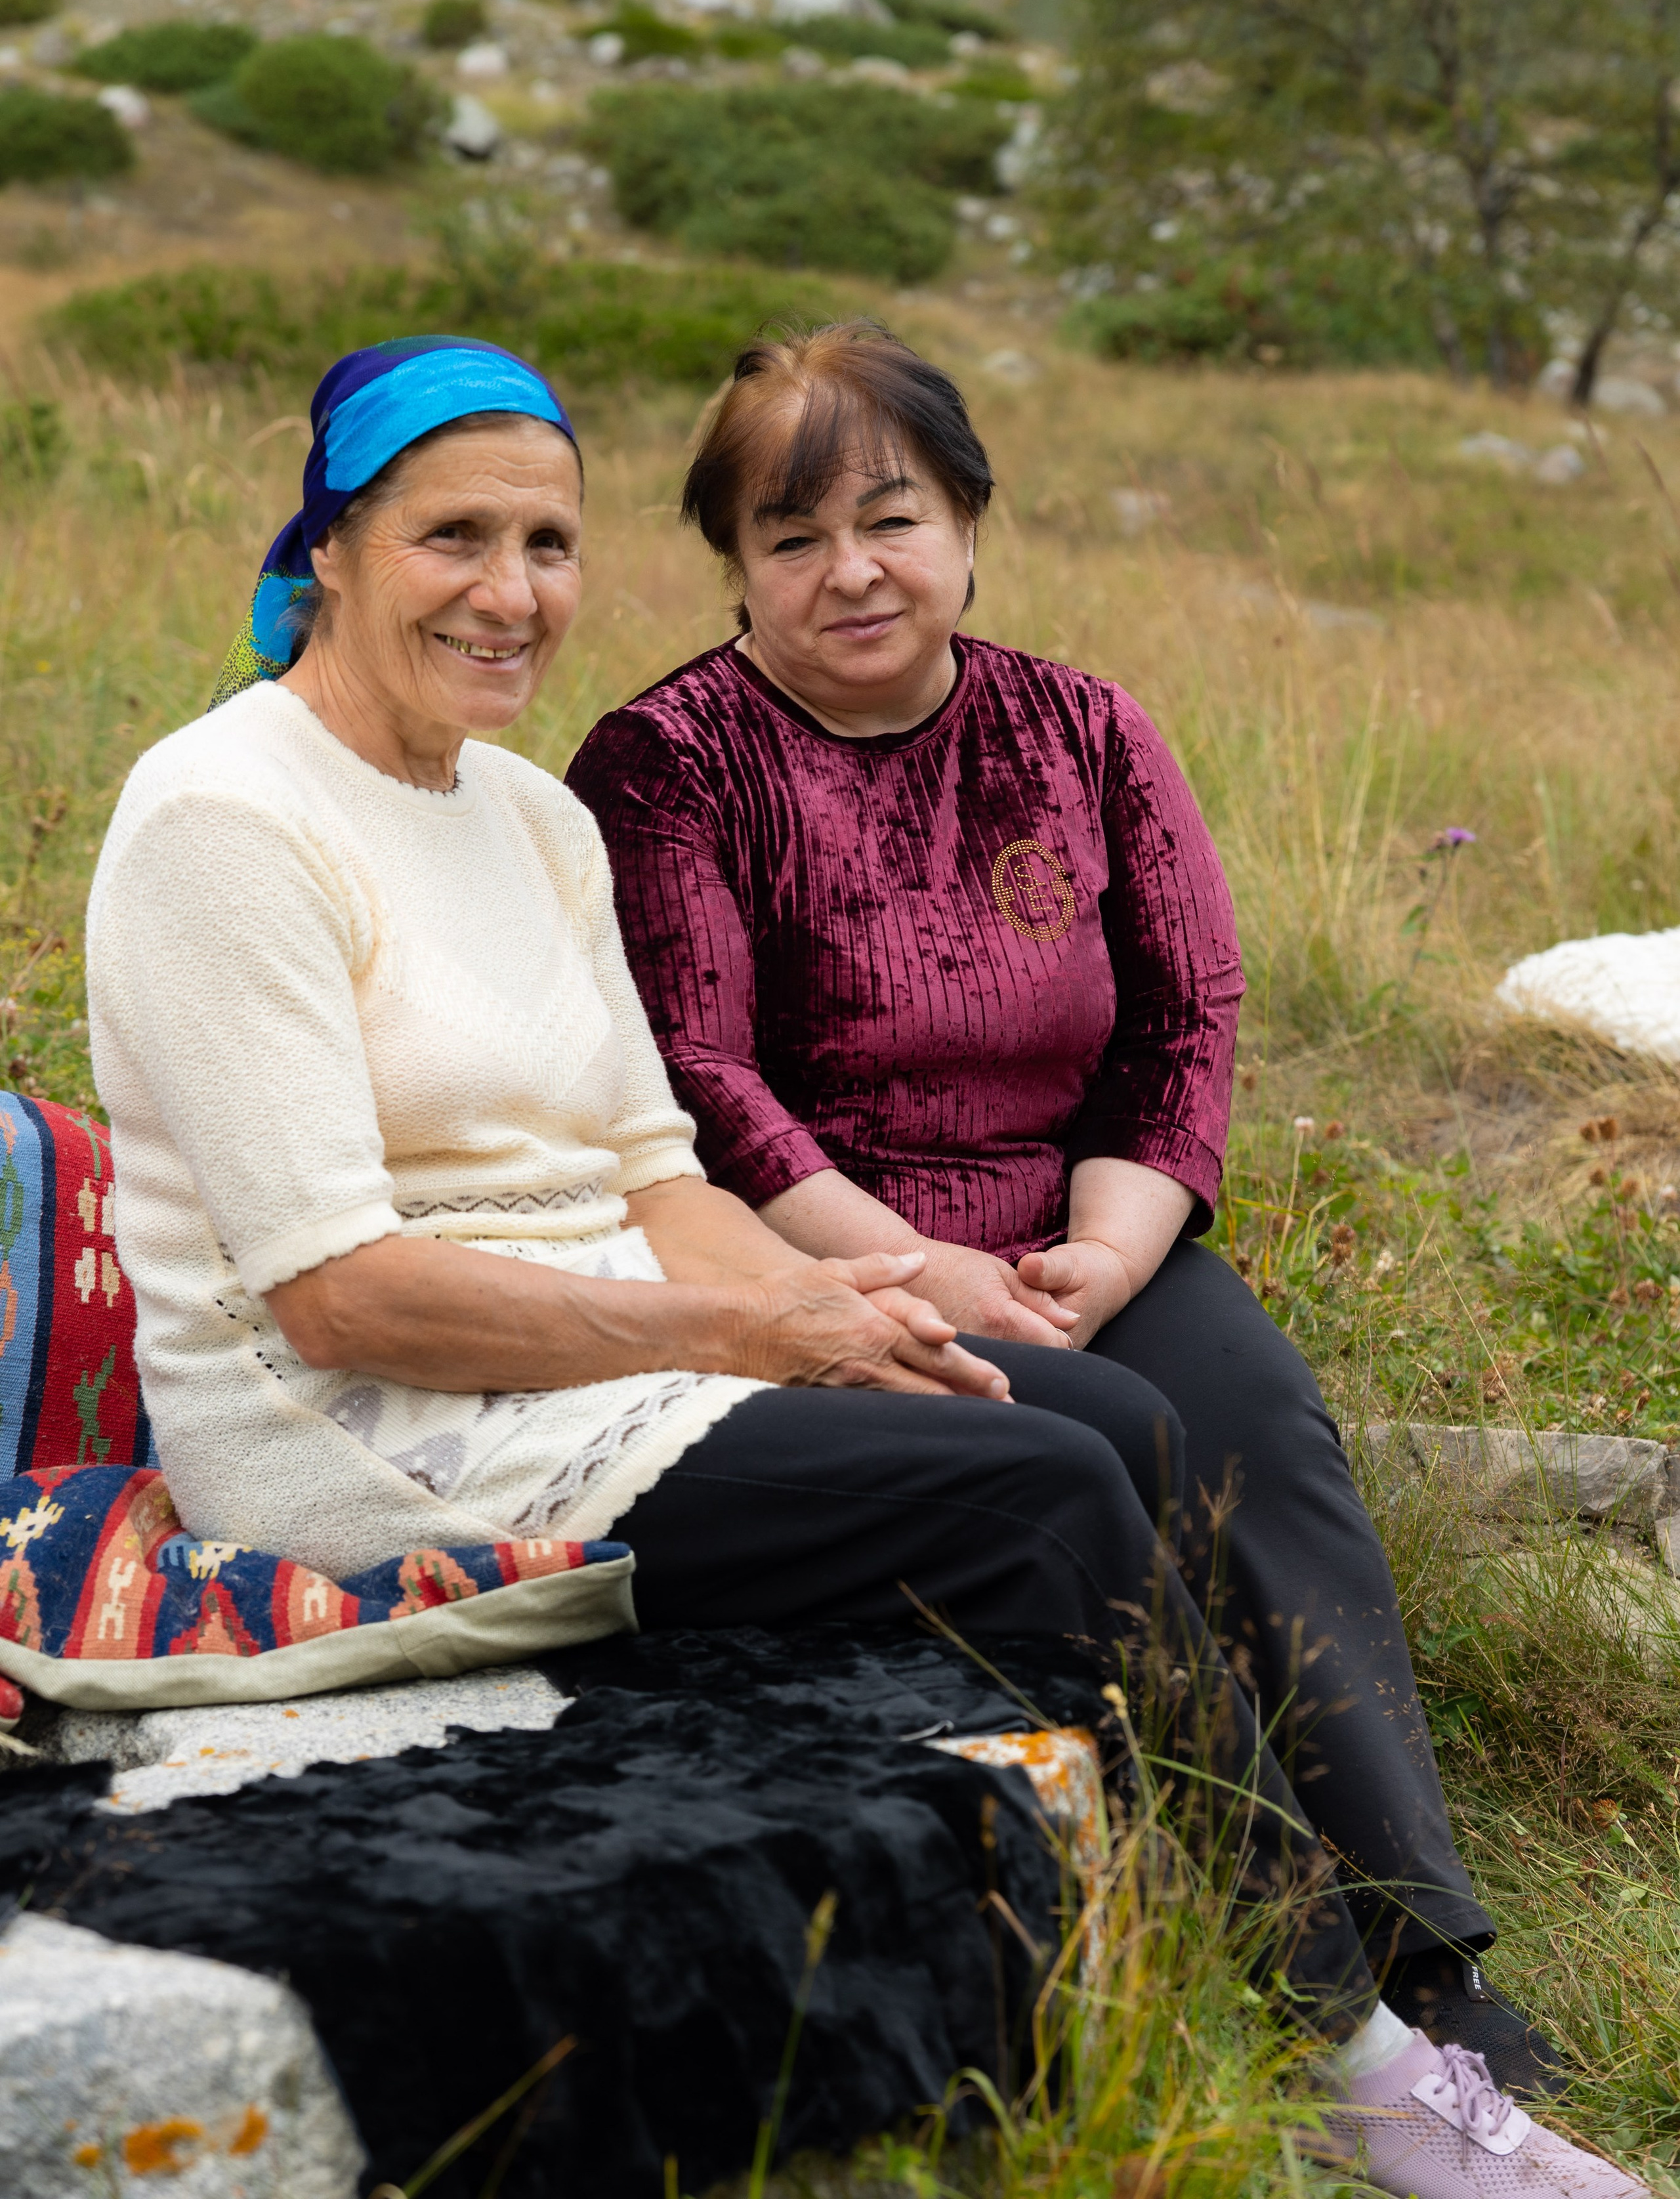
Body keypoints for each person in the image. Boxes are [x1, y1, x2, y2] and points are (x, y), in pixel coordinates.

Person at [87, 332, 1638, 2199]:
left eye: (550, 545)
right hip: (379, 1420)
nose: (512, 595)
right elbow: (339, 1295)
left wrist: (843, 1308)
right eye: (454, 539)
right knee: (1042, 1486)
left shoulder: (525, 814)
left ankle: (1271, 1923)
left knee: (1112, 1412)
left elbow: (657, 1167)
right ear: (332, 546)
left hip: (609, 1352)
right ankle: (1350, 2055)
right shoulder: (224, 818)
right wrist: (756, 1318)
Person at [570, 323, 1592, 2137]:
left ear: (967, 519)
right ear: (732, 559)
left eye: (891, 517)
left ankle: (1422, 1938)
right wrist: (898, 1262)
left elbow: (1185, 1021)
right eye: (790, 536)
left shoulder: (1084, 727)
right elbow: (702, 1079)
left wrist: (1115, 1256)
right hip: (823, 1251)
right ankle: (1251, 1930)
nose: (852, 570)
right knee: (1091, 1464)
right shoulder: (668, 763)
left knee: (1260, 1435)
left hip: (1083, 1225)